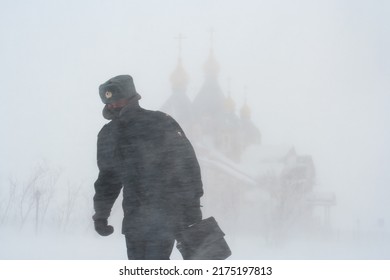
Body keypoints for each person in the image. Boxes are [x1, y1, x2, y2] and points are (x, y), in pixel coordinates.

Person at [92, 74, 203, 260]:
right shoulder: (108, 134)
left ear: (131, 97)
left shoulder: (160, 123)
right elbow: (108, 179)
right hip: (134, 220)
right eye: (109, 102)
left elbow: (187, 165)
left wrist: (192, 208)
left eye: (118, 100)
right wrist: (101, 214)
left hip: (165, 216)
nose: (112, 105)